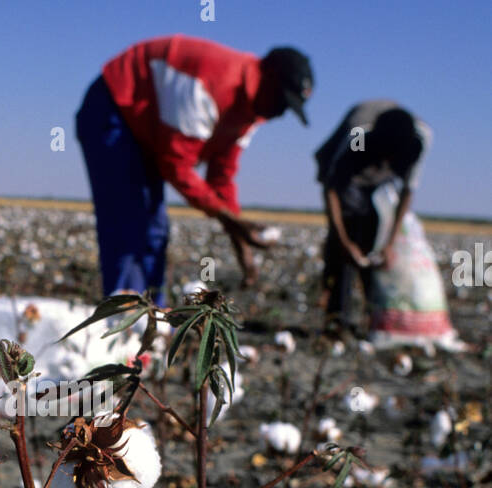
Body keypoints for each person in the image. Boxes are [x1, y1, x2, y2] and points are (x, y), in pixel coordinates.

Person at [75, 36, 314, 299]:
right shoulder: (210, 82)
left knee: (155, 231)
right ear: (267, 75)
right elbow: (176, 165)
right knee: (129, 223)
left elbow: (222, 175)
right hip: (115, 106)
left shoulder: (251, 113)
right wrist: (228, 219)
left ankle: (154, 319)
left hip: (150, 131)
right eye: (282, 101)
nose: (280, 113)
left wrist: (241, 243)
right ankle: (125, 323)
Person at [315, 101, 432, 329]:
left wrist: (390, 243)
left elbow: (408, 190)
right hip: (346, 174)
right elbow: (333, 187)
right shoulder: (359, 134)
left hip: (376, 181)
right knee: (349, 234)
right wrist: (344, 241)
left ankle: (376, 314)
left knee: (373, 239)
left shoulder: (421, 139)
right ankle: (337, 317)